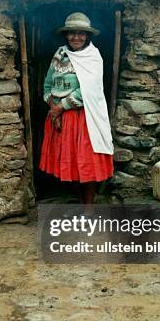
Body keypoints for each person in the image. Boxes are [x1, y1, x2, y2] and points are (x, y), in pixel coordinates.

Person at [39, 12, 114, 205]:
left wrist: (60, 108)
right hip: (59, 118)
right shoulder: (60, 54)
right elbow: (48, 85)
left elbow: (88, 89)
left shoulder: (93, 57)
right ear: (66, 35)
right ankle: (80, 204)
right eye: (72, 33)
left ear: (87, 35)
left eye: (81, 33)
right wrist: (53, 107)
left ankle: (88, 209)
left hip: (82, 118)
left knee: (85, 161)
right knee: (68, 163)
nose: (76, 37)